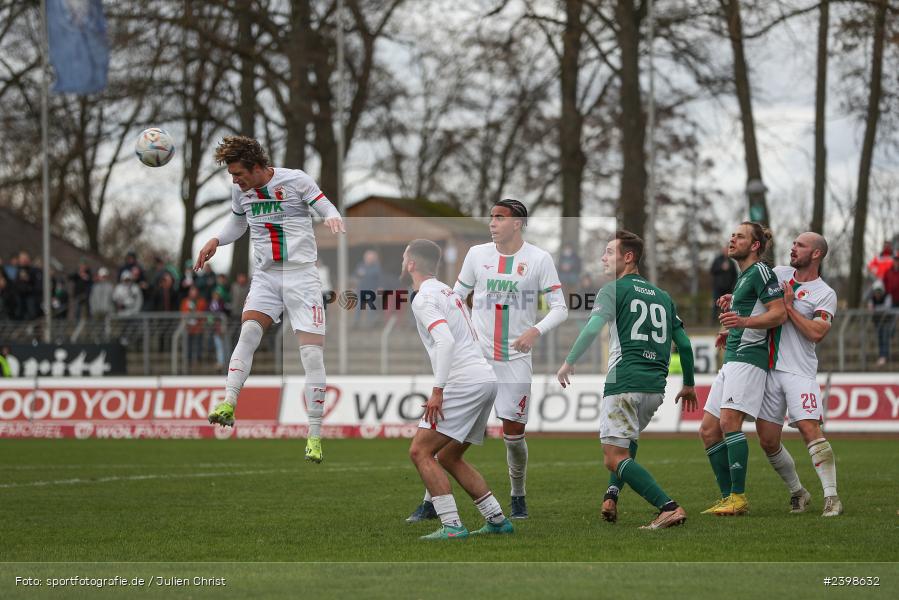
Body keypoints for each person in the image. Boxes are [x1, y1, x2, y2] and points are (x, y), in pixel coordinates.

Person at [406, 199, 568, 523]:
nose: (492, 223)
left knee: (514, 436)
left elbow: (560, 307)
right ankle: (430, 503)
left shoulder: (539, 259)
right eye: (491, 217)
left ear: (517, 223)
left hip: (515, 359)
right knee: (446, 433)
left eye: (499, 218)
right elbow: (456, 298)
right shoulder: (477, 255)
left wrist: (535, 330)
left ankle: (518, 495)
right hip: (477, 358)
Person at [195, 136, 344, 464]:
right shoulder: (241, 191)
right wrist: (216, 240)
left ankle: (314, 435)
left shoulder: (295, 180)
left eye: (238, 174)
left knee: (311, 355)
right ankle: (228, 403)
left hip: (302, 276)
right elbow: (238, 223)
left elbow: (323, 203)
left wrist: (331, 216)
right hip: (266, 276)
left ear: (257, 167)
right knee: (248, 332)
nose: (235, 181)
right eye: (232, 175)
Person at [556, 230, 697, 529]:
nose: (603, 258)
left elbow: (592, 328)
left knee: (613, 457)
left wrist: (569, 361)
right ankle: (611, 495)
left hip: (624, 383)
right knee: (625, 444)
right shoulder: (663, 296)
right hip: (655, 388)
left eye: (610, 252)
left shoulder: (613, 290)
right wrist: (689, 384)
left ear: (629, 257)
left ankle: (669, 507)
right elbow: (684, 345)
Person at [402, 239, 513, 540]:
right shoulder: (448, 292)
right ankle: (497, 519)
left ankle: (452, 526)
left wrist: (438, 391)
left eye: (404, 258)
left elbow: (446, 341)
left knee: (420, 451)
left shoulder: (423, 298)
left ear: (411, 264)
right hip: (484, 380)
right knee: (450, 457)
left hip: (463, 382)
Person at [740, 232, 843, 517]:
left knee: (810, 430)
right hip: (767, 370)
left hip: (799, 371)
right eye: (794, 243)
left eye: (801, 245)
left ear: (816, 254)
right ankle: (798, 491)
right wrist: (733, 304)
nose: (793, 248)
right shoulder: (778, 273)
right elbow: (756, 301)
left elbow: (817, 333)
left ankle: (832, 497)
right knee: (767, 440)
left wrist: (789, 308)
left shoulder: (825, 293)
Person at [700, 222, 786, 516]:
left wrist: (743, 323)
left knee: (728, 423)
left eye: (740, 236)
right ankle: (728, 498)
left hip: (749, 359)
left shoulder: (761, 271)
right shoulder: (743, 277)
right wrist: (731, 329)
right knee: (708, 430)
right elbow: (752, 311)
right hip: (733, 357)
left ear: (755, 246)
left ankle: (738, 497)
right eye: (732, 235)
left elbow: (778, 313)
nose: (732, 239)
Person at [866, 279, 893, 367]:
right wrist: (877, 309)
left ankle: (884, 356)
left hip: (886, 321)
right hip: (877, 321)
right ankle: (882, 356)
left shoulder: (887, 296)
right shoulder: (872, 298)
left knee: (885, 338)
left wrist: (876, 309)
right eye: (876, 292)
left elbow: (887, 308)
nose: (877, 294)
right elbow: (870, 308)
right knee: (880, 338)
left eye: (879, 291)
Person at [181, 285, 208, 366]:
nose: (193, 293)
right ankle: (188, 360)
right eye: (192, 291)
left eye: (194, 291)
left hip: (198, 327)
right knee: (188, 344)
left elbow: (205, 312)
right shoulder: (185, 301)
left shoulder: (201, 301)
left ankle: (199, 360)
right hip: (188, 327)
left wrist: (199, 314)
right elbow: (182, 312)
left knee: (198, 344)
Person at [710, 245, 737, 324]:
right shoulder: (717, 260)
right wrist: (721, 268)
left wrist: (734, 286)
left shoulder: (731, 262)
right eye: (724, 250)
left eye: (727, 250)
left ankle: (725, 321)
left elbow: (735, 275)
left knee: (726, 305)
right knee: (716, 304)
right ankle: (713, 322)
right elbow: (712, 270)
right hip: (718, 287)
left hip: (728, 288)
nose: (726, 251)